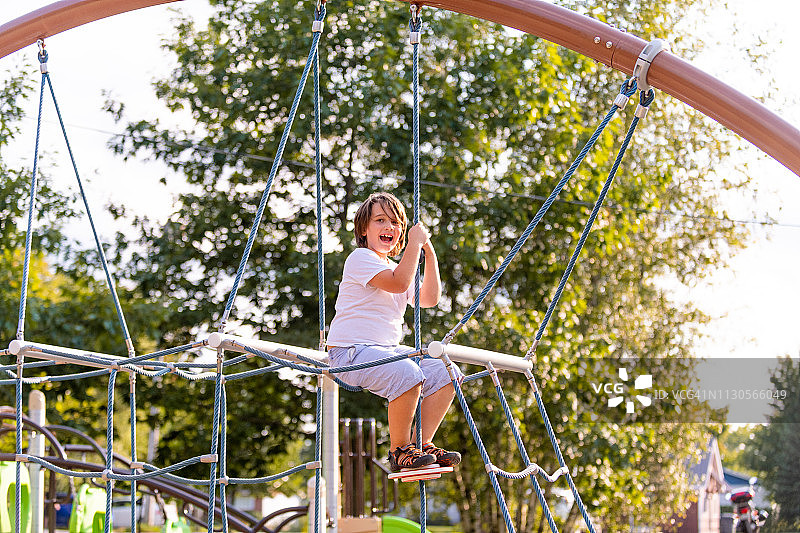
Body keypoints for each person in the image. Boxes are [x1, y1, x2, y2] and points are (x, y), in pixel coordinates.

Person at [327, 192, 463, 473]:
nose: (388, 226)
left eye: (395, 222)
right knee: (407, 373)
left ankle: (421, 445)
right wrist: (414, 244)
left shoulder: (398, 266)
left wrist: (429, 253)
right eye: (380, 220)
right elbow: (399, 284)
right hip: (349, 353)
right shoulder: (360, 258)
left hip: (384, 351)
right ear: (364, 231)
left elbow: (429, 298)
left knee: (448, 372)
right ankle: (399, 450)